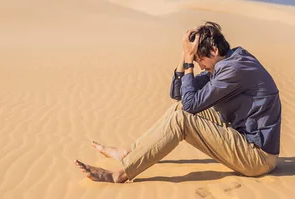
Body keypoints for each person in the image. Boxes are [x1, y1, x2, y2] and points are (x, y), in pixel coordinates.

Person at [75, 21, 281, 183]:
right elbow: (178, 94)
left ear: (214, 52)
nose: (199, 66)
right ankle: (131, 152)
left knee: (182, 119)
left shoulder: (234, 69)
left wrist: (189, 60)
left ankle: (120, 174)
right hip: (241, 139)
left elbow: (191, 105)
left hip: (258, 157)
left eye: (199, 59)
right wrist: (185, 55)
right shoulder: (223, 63)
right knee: (179, 108)